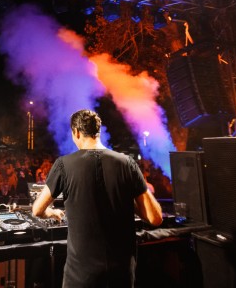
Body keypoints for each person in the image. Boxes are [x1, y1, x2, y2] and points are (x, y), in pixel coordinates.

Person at [32, 109, 163, 288]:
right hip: (121, 274)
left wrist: (51, 213)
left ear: (76, 132)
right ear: (98, 132)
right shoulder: (127, 163)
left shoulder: (63, 164)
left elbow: (37, 210)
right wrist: (124, 198)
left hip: (81, 276)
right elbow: (155, 218)